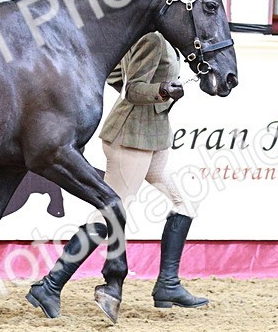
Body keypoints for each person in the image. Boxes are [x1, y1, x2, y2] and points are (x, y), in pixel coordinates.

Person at [27, 31, 207, 317]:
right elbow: (134, 89)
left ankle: (168, 285)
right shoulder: (153, 40)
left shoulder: (157, 39)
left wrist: (158, 90)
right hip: (132, 136)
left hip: (152, 136)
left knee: (184, 203)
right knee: (109, 211)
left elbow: (113, 74)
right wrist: (162, 90)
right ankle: (50, 285)